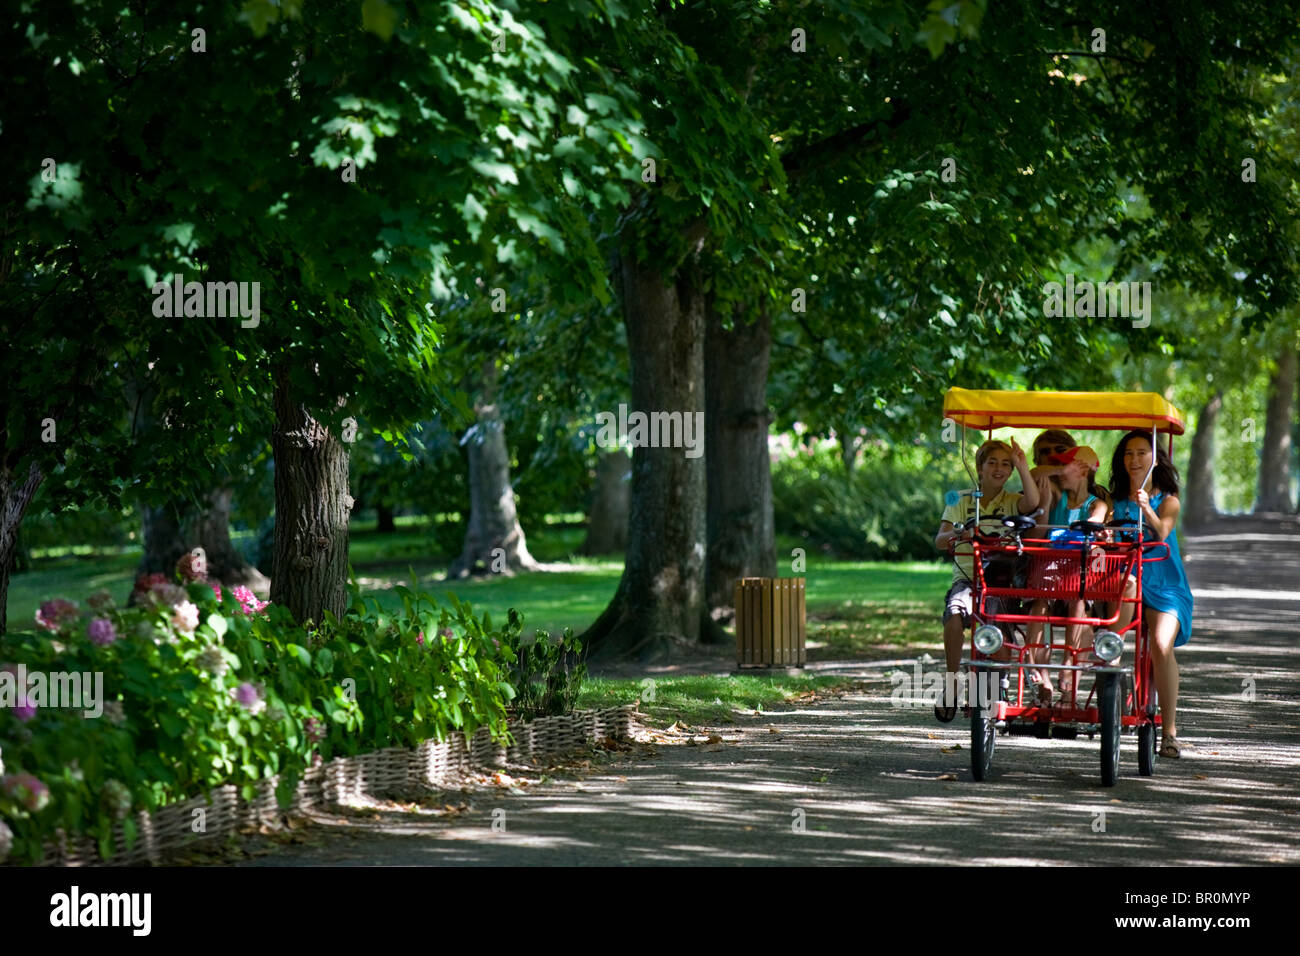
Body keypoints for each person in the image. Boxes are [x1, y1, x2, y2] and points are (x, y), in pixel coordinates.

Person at [934, 438, 1039, 722]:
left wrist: (1022, 465)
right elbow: (940, 540)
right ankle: (953, 680)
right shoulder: (960, 498)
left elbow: (1034, 502)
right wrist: (960, 534)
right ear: (979, 467)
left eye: (1006, 464)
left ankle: (998, 685)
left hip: (1000, 581)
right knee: (955, 612)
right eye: (992, 462)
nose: (999, 469)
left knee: (997, 628)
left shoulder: (1013, 501)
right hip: (969, 577)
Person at [1109, 431, 1194, 758]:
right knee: (1112, 636)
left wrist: (1146, 507)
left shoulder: (1168, 499)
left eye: (1141, 453)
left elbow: (1162, 532)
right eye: (1129, 453)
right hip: (1126, 579)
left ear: (1155, 459)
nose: (1134, 459)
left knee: (1161, 644)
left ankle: (1169, 733)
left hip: (1165, 583)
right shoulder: (1114, 501)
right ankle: (1110, 680)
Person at [1023, 446, 1110, 707]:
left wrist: (1096, 529)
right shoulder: (1057, 495)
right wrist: (1060, 472)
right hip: (1051, 570)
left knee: (1079, 602)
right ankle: (1040, 675)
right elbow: (1032, 472)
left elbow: (1097, 518)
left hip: (1077, 573)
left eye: (1068, 468)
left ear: (1083, 471)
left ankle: (1069, 672)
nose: (1061, 473)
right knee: (1038, 606)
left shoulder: (1096, 502)